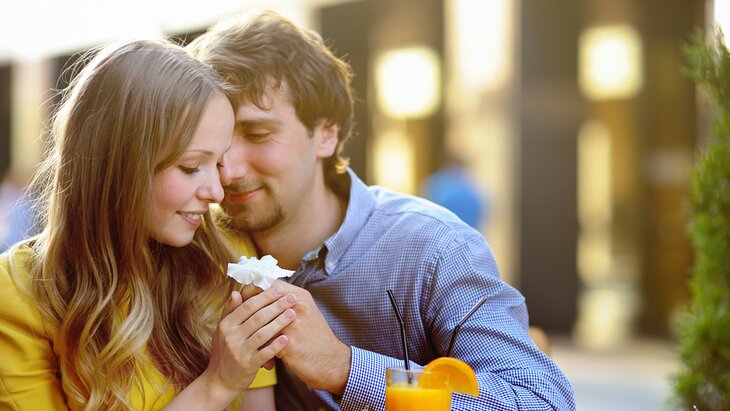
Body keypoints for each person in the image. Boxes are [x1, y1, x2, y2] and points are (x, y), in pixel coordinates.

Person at [188, 10, 576, 410]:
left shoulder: (434, 250)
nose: (227, 170)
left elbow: (543, 403)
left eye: (257, 134)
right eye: (214, 141)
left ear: (326, 134)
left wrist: (342, 367)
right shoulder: (191, 254)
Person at [0, 39, 298, 411]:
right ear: (119, 165)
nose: (217, 192)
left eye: (218, 163)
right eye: (191, 167)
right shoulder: (18, 291)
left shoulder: (227, 259)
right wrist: (217, 385)